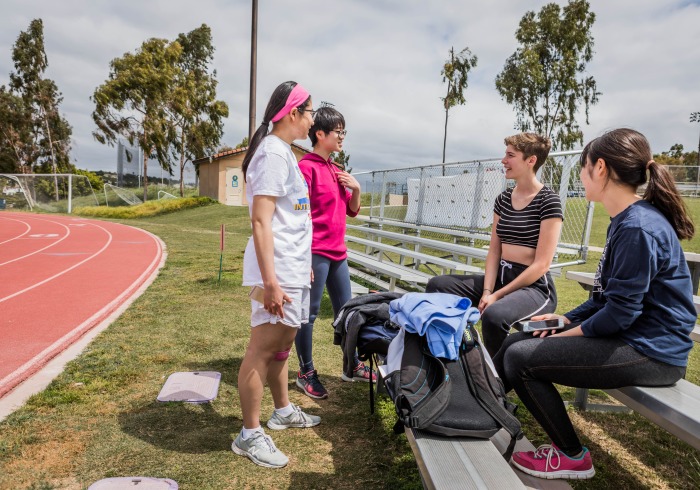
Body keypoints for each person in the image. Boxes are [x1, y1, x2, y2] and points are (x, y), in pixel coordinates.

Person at [494, 128, 696, 480]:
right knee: (516, 340)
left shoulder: (638, 227)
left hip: (653, 352)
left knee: (520, 357)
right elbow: (605, 299)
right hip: (631, 336)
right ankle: (481, 406)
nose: (581, 175)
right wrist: (564, 318)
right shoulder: (624, 221)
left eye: (584, 166)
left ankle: (572, 457)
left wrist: (563, 336)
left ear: (600, 168)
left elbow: (619, 315)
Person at [232, 81, 321, 469]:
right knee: (262, 349)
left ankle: (281, 411)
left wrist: (303, 269)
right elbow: (261, 221)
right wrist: (270, 281)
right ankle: (249, 435)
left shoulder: (283, 151)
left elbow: (293, 218)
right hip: (276, 272)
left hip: (290, 269)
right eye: (310, 112)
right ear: (292, 114)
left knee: (282, 346)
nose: (313, 119)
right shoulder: (271, 153)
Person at [425, 133, 563, 357]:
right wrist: (488, 290)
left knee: (494, 314)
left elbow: (542, 264)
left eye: (510, 155)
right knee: (438, 285)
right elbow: (495, 250)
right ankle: (451, 355)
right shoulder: (503, 199)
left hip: (533, 288)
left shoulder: (548, 200)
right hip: (500, 279)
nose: (503, 160)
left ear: (531, 161)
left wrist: (496, 297)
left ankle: (495, 380)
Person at [295, 106, 375, 400]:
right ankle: (305, 373)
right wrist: (303, 257)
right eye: (338, 131)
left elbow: (352, 211)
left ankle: (351, 366)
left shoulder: (337, 170)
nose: (342, 137)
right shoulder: (306, 168)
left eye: (343, 131)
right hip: (314, 253)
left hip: (338, 253)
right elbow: (299, 216)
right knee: (309, 314)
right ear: (320, 134)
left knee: (349, 311)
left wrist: (356, 189)